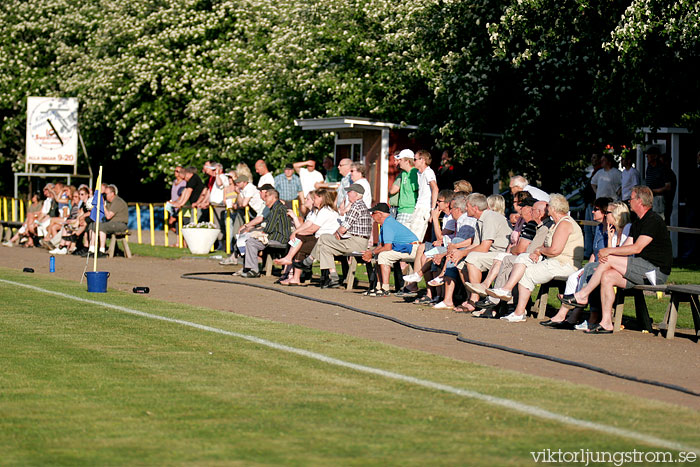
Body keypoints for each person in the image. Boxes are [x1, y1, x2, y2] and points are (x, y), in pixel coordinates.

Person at [559, 186, 672, 333]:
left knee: (610, 258)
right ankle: (606, 322)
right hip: (640, 269)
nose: (629, 201)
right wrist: (609, 247)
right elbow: (626, 247)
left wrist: (609, 251)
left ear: (639, 201)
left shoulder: (653, 220)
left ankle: (582, 295)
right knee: (607, 276)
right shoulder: (638, 221)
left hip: (655, 271)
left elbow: (636, 248)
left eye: (631, 198)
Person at [485, 194, 583, 322]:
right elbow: (547, 245)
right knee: (522, 258)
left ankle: (518, 311)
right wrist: (537, 252)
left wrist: (539, 250)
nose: (547, 209)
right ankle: (507, 290)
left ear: (554, 208)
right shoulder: (556, 224)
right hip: (554, 261)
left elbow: (554, 250)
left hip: (564, 264)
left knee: (527, 273)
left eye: (549, 206)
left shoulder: (565, 224)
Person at [543, 200, 631, 330]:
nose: (605, 215)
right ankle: (566, 313)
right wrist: (610, 239)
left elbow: (617, 256)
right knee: (579, 275)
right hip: (608, 266)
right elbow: (607, 253)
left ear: (617, 214)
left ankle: (579, 314)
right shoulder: (609, 230)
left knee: (592, 271)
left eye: (607, 212)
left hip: (623, 268)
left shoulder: (627, 228)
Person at [297, 184, 372, 288]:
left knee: (320, 239)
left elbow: (343, 228)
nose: (347, 194)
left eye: (349, 192)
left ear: (356, 194)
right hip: (355, 241)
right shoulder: (361, 205)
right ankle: (333, 277)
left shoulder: (355, 206)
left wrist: (335, 234)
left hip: (354, 242)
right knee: (324, 247)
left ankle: (304, 265)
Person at [452, 193, 512, 313]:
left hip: (502, 254)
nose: (466, 209)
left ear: (475, 208)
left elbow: (484, 247)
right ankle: (470, 297)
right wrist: (459, 252)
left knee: (472, 258)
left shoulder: (489, 217)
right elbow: (476, 244)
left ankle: (475, 299)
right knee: (460, 264)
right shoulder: (480, 219)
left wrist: (463, 253)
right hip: (491, 253)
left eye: (467, 206)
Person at [277, 189, 339, 286]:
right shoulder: (319, 211)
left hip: (326, 242)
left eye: (315, 198)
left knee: (300, 244)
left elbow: (312, 229)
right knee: (298, 241)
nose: (313, 200)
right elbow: (308, 224)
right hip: (320, 239)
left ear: (321, 199)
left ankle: (293, 272)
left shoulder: (325, 211)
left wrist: (297, 234)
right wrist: (297, 232)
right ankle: (292, 273)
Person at [361, 203, 418, 297]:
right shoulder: (386, 223)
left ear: (380, 214)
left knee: (383, 255)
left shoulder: (388, 223)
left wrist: (372, 253)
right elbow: (382, 245)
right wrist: (371, 252)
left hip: (413, 249)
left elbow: (388, 247)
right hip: (405, 248)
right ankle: (378, 287)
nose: (372, 215)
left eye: (373, 213)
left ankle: (385, 288)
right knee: (380, 255)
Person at [238, 189, 292, 278]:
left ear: (272, 197)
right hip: (275, 236)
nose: (264, 199)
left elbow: (269, 229)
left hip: (279, 238)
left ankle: (253, 270)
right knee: (250, 239)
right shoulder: (276, 207)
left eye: (266, 196)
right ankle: (250, 268)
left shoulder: (277, 209)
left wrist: (257, 232)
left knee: (251, 242)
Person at [409, 149, 439, 241]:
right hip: (419, 206)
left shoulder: (428, 172)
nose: (413, 161)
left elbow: (435, 188)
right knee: (411, 232)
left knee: (415, 236)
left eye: (415, 159)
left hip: (424, 207)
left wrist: (432, 209)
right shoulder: (419, 173)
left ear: (422, 160)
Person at [95, 184, 129, 254]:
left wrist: (103, 206)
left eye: (106, 194)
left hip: (121, 224)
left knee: (102, 227)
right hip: (112, 223)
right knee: (94, 225)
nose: (105, 195)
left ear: (112, 193)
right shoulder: (109, 202)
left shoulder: (117, 201)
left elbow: (108, 216)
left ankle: (101, 250)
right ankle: (91, 248)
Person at [389, 149, 418, 226]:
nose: (399, 162)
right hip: (401, 210)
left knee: (399, 236)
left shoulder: (414, 173)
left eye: (400, 160)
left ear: (407, 161)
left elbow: (418, 192)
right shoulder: (404, 173)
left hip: (409, 210)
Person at [643, 145, 672, 220]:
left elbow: (668, 187)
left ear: (655, 156)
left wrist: (653, 190)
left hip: (659, 198)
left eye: (649, 155)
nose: (647, 157)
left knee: (658, 220)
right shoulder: (649, 168)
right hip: (650, 198)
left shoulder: (662, 168)